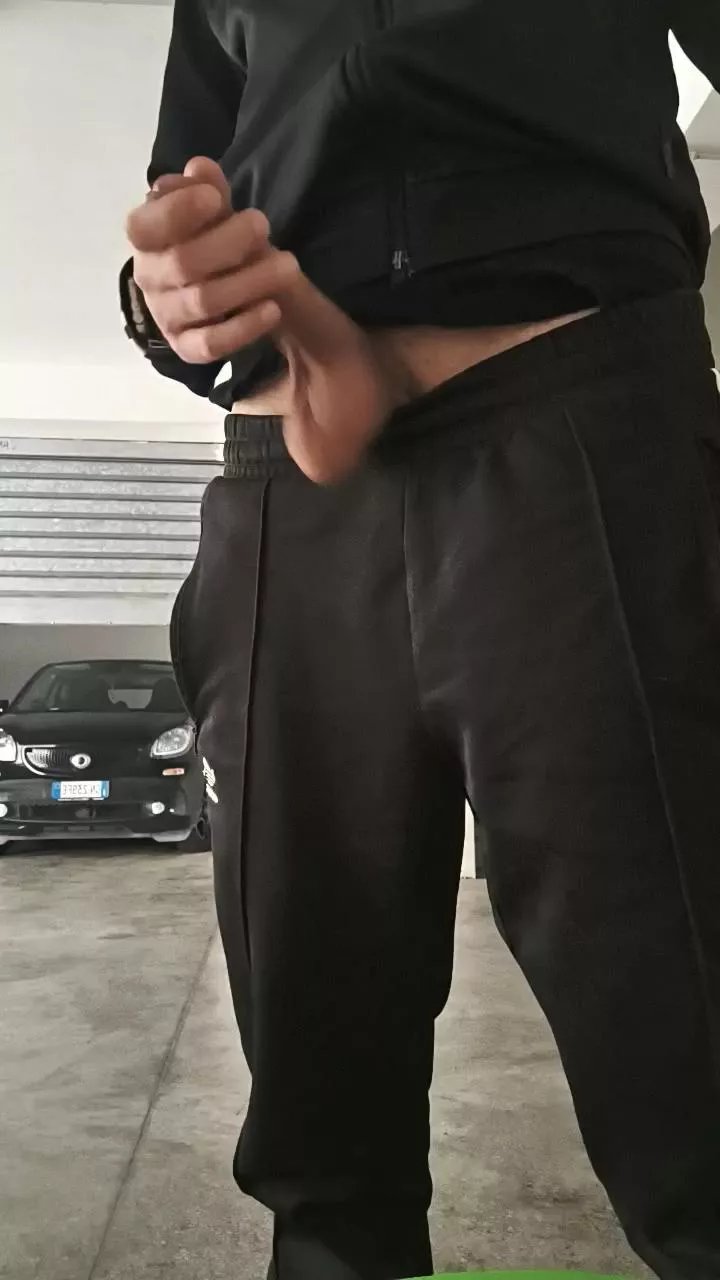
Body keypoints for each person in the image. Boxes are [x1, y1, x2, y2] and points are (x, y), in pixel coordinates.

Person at [121, 4, 720, 1277]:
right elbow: (186, 185)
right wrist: (162, 295)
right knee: (318, 1138)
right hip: (285, 493)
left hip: (582, 438)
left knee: (687, 1062)